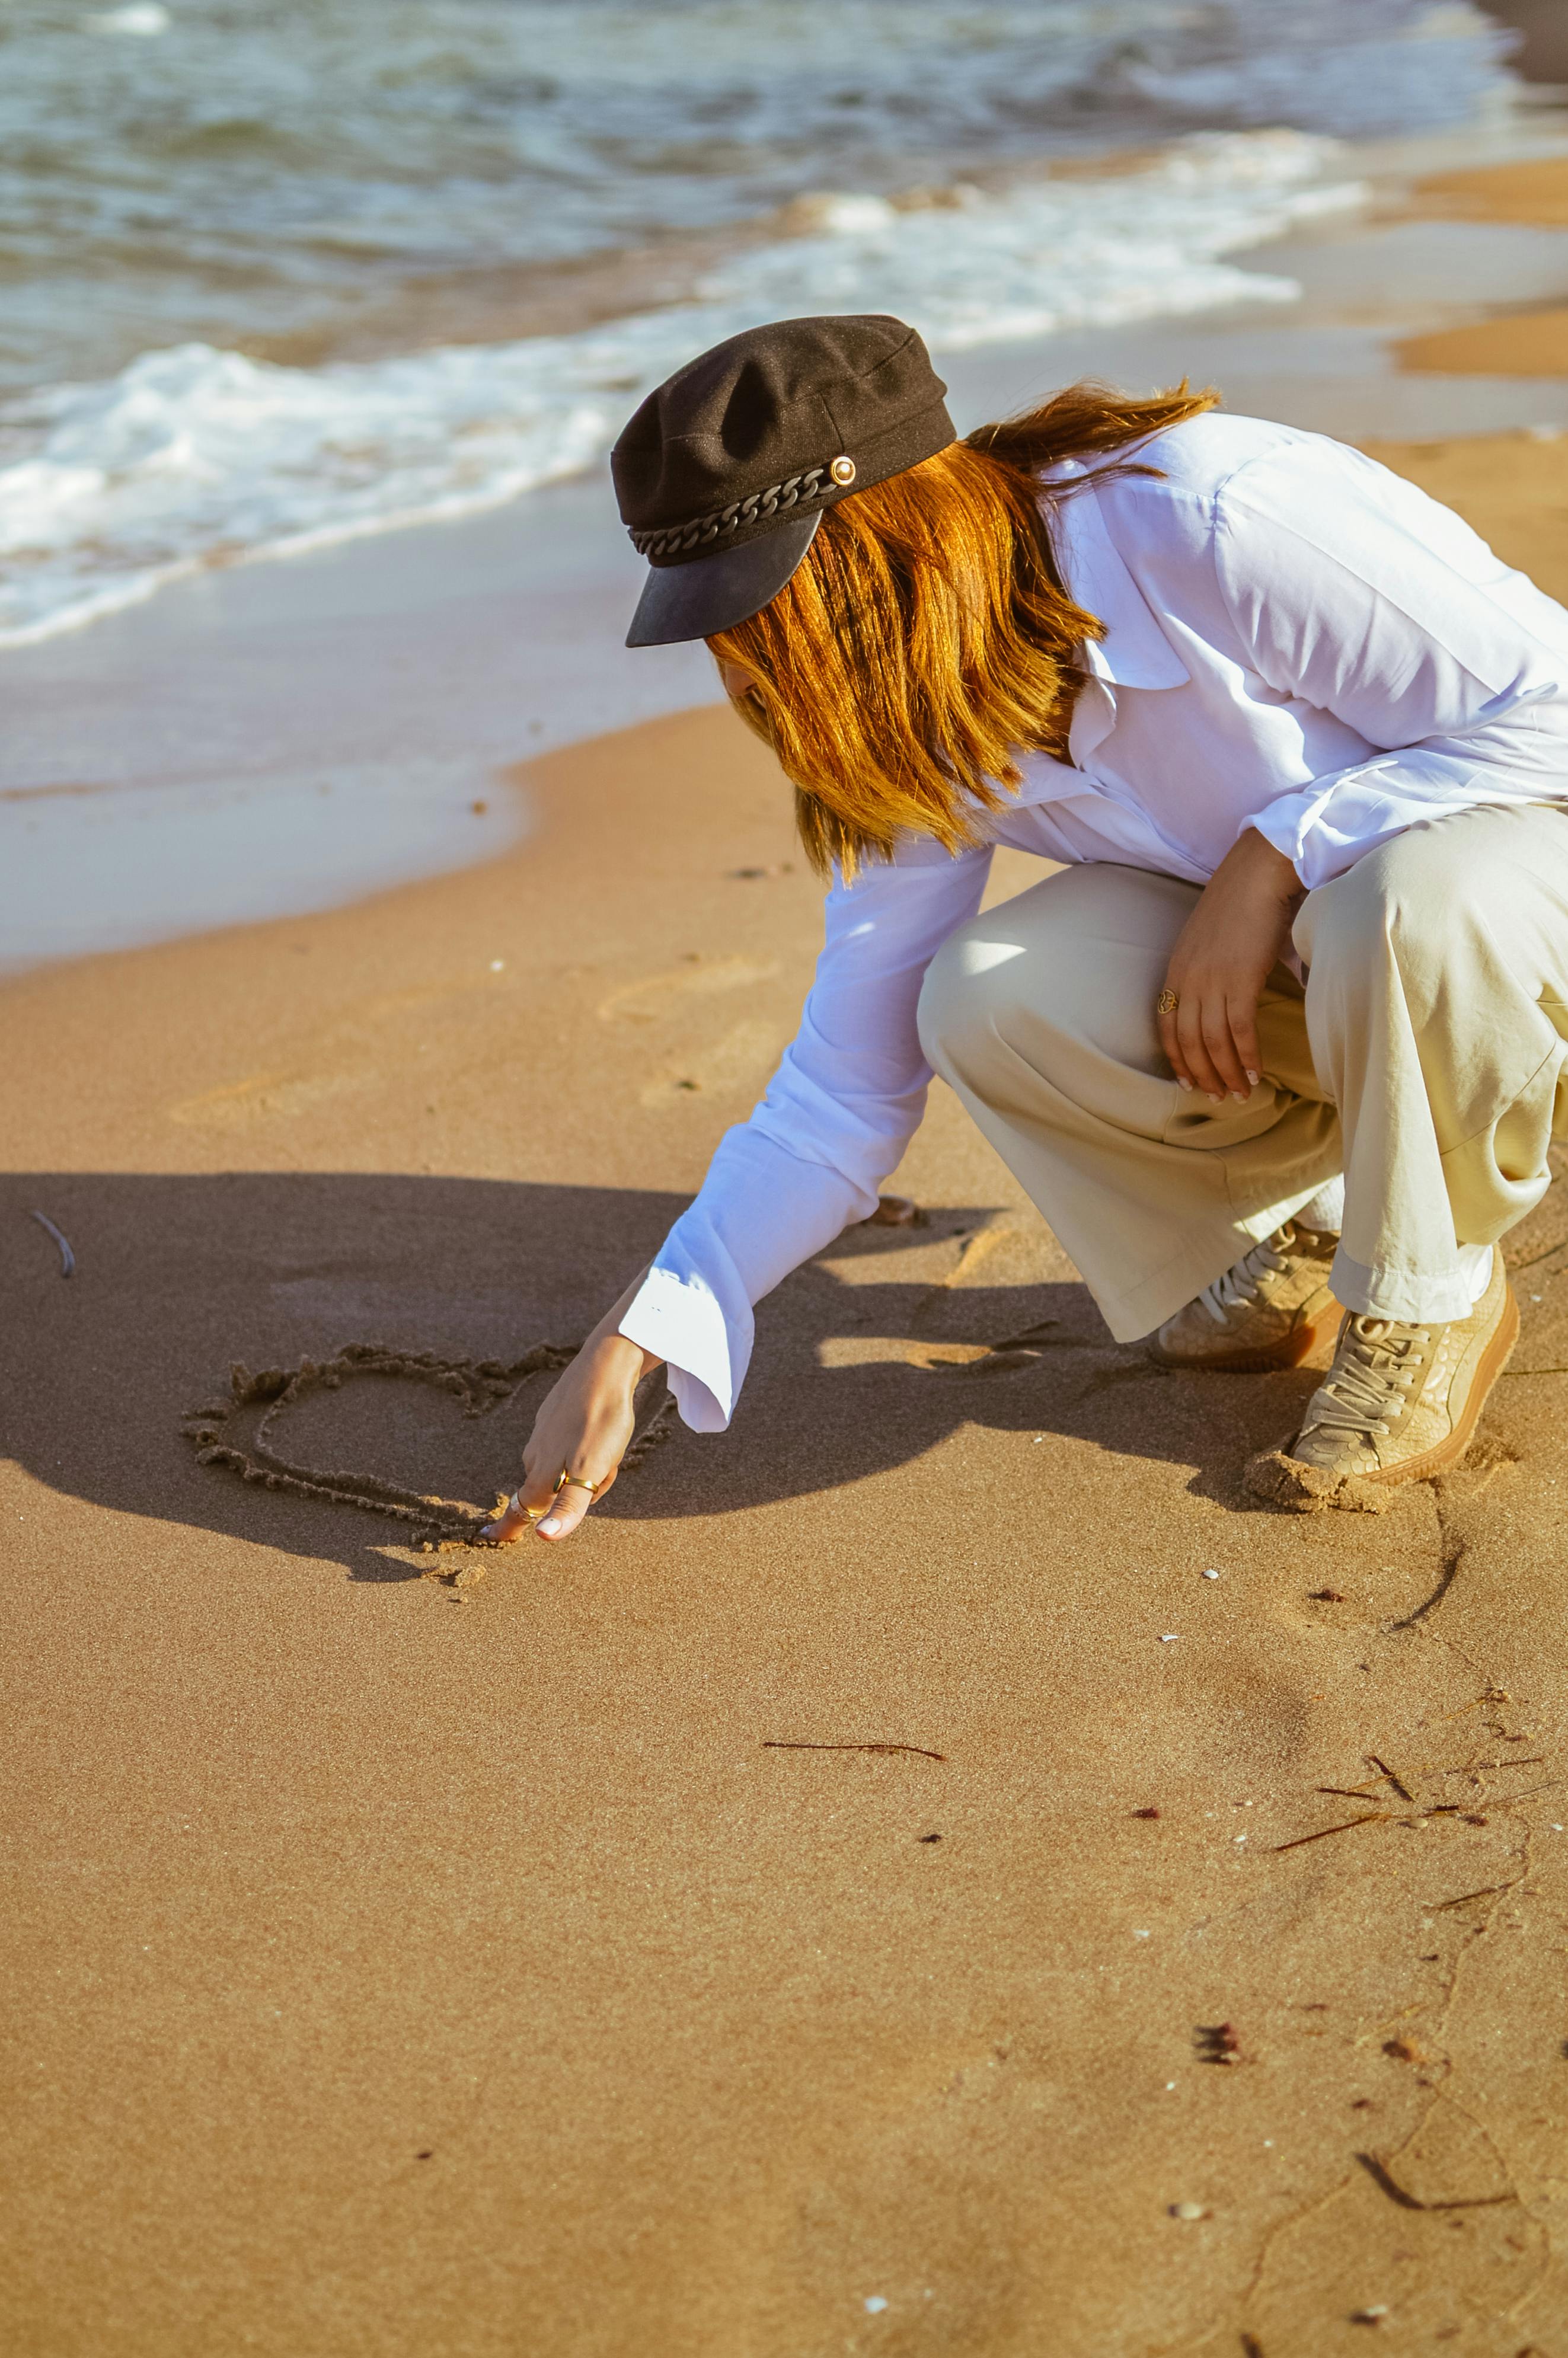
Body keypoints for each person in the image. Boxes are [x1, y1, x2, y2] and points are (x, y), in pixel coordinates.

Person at [483, 312, 1568, 1543]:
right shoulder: (904, 708)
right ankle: (1313, 1225)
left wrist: (1273, 856)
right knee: (986, 998)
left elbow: (1558, 708)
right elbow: (844, 1093)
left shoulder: (1211, 518)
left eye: (769, 598)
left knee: (1406, 904)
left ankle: (1429, 1299)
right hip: (1355, 974)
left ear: (892, 530)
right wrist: (636, 1335)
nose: (752, 657)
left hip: (1518, 905)